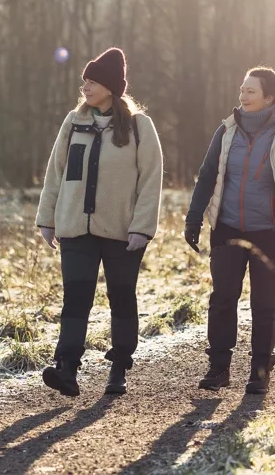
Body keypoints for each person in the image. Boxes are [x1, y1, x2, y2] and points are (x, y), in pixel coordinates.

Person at [36, 47, 163, 397]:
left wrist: (142, 227)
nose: (86, 88)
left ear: (111, 86)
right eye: (85, 82)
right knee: (75, 299)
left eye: (93, 82)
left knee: (122, 298)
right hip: (76, 228)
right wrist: (47, 219)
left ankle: (119, 366)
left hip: (123, 230)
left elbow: (151, 180)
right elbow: (56, 174)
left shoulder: (140, 127)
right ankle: (66, 369)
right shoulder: (73, 122)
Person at [184, 67, 275, 394]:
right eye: (242, 90)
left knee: (264, 302)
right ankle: (218, 368)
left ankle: (259, 371)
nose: (243, 96)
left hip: (271, 233)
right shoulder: (226, 132)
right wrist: (193, 217)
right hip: (227, 228)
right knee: (223, 298)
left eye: (251, 91)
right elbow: (206, 174)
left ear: (269, 97)